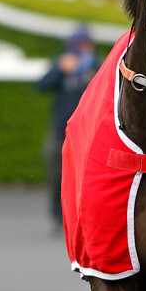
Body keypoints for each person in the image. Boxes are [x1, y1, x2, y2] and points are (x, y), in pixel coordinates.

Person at [37, 26, 100, 230]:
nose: (76, 49)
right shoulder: (62, 61)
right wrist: (60, 70)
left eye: (80, 44)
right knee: (57, 174)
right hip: (60, 129)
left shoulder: (97, 66)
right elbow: (41, 86)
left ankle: (85, 218)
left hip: (88, 132)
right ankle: (58, 217)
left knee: (88, 177)